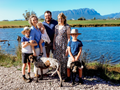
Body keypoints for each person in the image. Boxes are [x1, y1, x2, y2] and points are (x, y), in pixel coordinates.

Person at [53, 13, 71, 77]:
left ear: (64, 19)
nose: (60, 20)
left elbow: (69, 38)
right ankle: (56, 72)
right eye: (59, 19)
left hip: (64, 45)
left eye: (61, 18)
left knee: (64, 59)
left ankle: (63, 73)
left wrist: (67, 48)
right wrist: (53, 44)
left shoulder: (67, 27)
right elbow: (55, 36)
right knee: (56, 58)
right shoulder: (56, 27)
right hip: (57, 44)